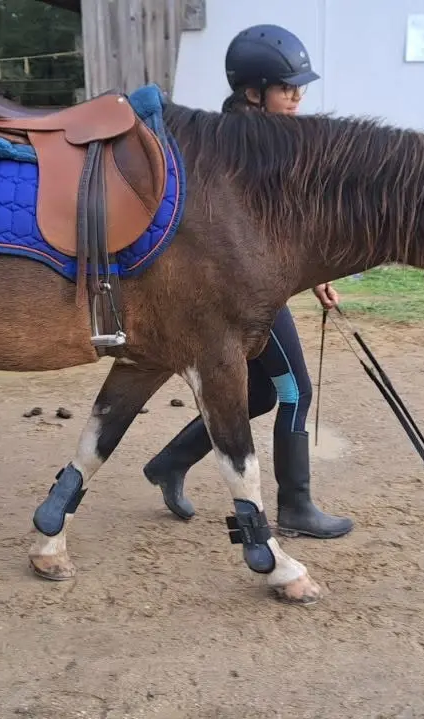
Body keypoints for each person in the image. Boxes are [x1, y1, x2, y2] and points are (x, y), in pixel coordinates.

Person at [142, 24, 354, 539]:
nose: (298, 96)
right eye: (288, 88)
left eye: (301, 87)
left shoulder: (263, 139)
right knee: (295, 392)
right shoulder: (242, 148)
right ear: (253, 92)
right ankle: (297, 506)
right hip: (242, 294)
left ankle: (170, 462)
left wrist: (315, 275)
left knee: (259, 392)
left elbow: (282, 230)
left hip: (264, 286)